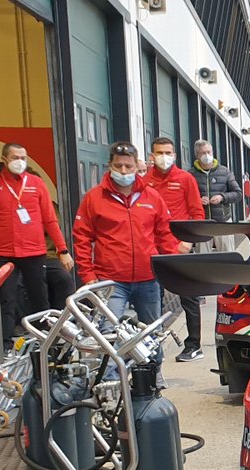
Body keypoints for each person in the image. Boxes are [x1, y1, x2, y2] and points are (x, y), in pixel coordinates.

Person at [72, 141, 176, 372]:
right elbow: (81, 238)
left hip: (148, 278)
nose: (124, 171)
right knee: (108, 332)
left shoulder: (152, 197)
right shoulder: (94, 199)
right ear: (109, 165)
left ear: (137, 166)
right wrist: (88, 275)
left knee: (152, 331)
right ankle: (108, 380)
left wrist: (173, 269)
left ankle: (152, 376)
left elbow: (165, 234)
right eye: (118, 166)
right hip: (110, 281)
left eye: (129, 166)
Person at [0, 142, 74, 346]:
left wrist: (62, 249)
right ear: (4, 160)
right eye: (15, 158)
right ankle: (6, 343)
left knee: (40, 296)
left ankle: (46, 339)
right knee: (6, 299)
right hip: (4, 252)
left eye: (23, 157)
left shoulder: (36, 183)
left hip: (34, 251)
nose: (20, 162)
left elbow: (50, 219)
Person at [145, 136, 206, 362]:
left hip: (179, 249)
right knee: (152, 297)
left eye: (167, 153)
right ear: (152, 156)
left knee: (188, 297)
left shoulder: (185, 179)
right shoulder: (144, 181)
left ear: (174, 156)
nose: (163, 157)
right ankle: (152, 346)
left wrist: (187, 242)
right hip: (152, 250)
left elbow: (197, 213)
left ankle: (194, 345)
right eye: (159, 153)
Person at [189, 139, 242, 250]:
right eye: (203, 153)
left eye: (209, 152)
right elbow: (185, 198)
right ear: (197, 155)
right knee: (202, 258)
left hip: (223, 222)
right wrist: (197, 200)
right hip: (202, 224)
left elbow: (238, 193)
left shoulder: (225, 172)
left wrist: (222, 197)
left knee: (227, 255)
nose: (207, 155)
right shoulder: (190, 174)